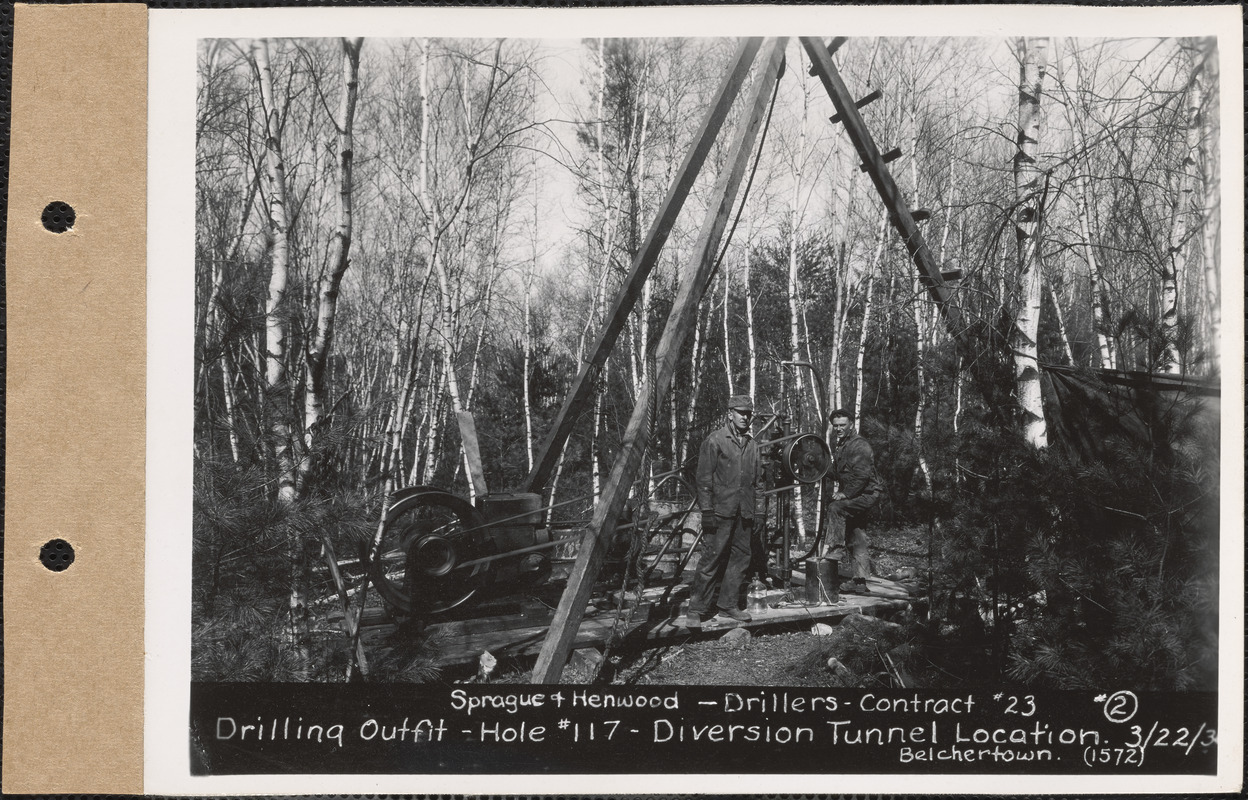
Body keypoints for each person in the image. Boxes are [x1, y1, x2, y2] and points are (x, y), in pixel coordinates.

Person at [685, 394, 763, 627]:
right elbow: (704, 479)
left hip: (744, 513)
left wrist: (759, 512)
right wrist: (706, 511)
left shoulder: (753, 446)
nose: (745, 417)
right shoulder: (715, 441)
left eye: (748, 414)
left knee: (741, 558)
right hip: (720, 512)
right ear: (730, 414)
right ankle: (696, 610)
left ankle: (728, 605)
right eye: (741, 413)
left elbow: (759, 483)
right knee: (712, 558)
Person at [821, 408, 884, 594]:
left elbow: (862, 476)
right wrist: (818, 465)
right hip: (857, 494)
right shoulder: (842, 446)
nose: (838, 429)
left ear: (851, 425)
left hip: (867, 494)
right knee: (857, 535)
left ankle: (836, 549)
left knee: (836, 507)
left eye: (842, 425)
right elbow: (836, 473)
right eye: (835, 426)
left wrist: (845, 494)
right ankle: (860, 582)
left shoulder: (859, 445)